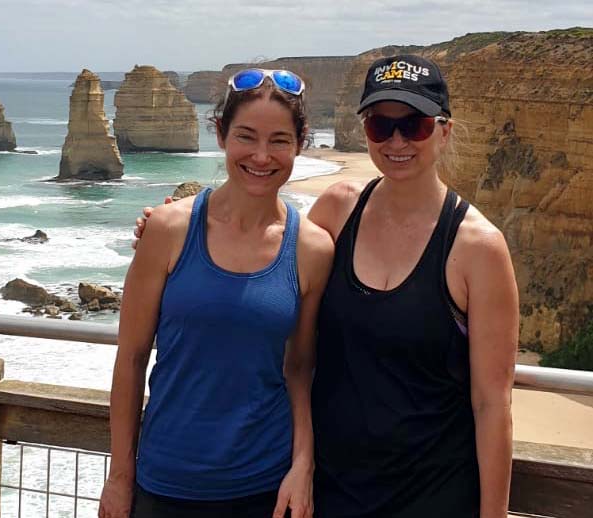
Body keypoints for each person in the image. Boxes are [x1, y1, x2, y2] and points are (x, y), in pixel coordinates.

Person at [133, 55, 519, 517]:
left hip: (431, 492)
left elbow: (492, 403)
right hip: (332, 487)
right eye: (381, 125)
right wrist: (174, 223)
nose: (396, 140)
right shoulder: (338, 210)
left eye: (413, 126)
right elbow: (269, 254)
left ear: (444, 130)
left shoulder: (479, 247)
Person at [98, 68, 334, 518]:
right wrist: (120, 477)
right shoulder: (168, 230)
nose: (261, 156)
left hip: (264, 486)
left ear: (300, 143)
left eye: (280, 140)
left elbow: (300, 369)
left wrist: (303, 466)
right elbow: (130, 360)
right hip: (164, 483)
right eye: (246, 136)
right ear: (222, 133)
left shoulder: (312, 249)